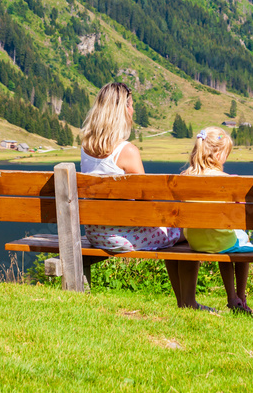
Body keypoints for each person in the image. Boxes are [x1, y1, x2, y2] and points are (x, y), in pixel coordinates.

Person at [80, 82, 203, 309]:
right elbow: (147, 203)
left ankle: (185, 302)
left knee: (173, 230)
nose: (133, 111)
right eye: (131, 106)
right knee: (186, 228)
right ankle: (188, 302)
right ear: (122, 110)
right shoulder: (127, 151)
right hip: (121, 236)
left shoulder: (86, 147)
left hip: (95, 232)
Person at [182, 126, 253, 312]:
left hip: (195, 241)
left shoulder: (186, 176)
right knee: (241, 241)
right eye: (226, 153)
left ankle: (232, 297)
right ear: (218, 154)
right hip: (220, 241)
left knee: (225, 235)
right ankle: (239, 297)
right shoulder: (228, 180)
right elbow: (240, 211)